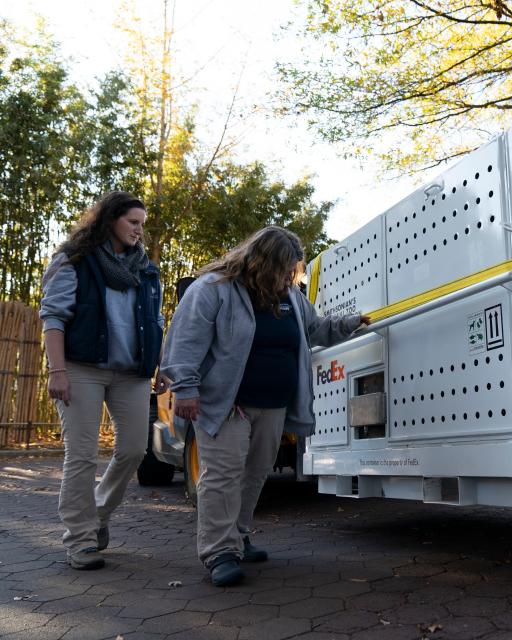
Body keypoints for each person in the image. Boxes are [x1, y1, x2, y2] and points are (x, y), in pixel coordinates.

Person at [160, 226, 369, 587]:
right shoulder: (213, 289)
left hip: (273, 404)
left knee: (256, 473)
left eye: (293, 270)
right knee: (222, 475)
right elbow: (185, 338)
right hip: (227, 402)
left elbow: (315, 329)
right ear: (261, 262)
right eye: (285, 269)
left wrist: (352, 324)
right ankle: (219, 552)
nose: (290, 277)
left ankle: (238, 536)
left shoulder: (289, 296)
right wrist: (186, 388)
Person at [39, 191, 164, 570]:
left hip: (131, 373)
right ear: (110, 219)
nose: (139, 231)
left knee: (133, 450)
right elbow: (54, 317)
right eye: (133, 222)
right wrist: (56, 370)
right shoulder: (74, 261)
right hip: (81, 367)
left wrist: (160, 366)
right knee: (81, 456)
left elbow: (155, 322)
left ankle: (97, 513)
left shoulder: (146, 269)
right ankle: (79, 540)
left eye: (142, 224)